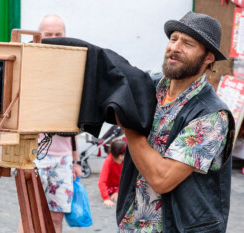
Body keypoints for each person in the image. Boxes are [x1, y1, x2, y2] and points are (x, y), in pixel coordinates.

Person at [116, 12, 235, 233]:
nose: (175, 47)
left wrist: (129, 129)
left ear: (209, 57)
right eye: (173, 39)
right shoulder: (151, 88)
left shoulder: (211, 115)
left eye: (187, 43)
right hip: (134, 224)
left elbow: (162, 179)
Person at [18, 14, 81, 233]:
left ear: (65, 35)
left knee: (56, 219)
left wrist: (76, 160)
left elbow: (73, 119)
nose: (54, 38)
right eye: (48, 34)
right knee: (29, 218)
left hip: (62, 159)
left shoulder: (74, 66)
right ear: (39, 37)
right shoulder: (29, 63)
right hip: (34, 155)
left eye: (58, 34)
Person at [98, 138, 126, 207]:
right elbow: (102, 181)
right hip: (110, 188)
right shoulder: (108, 161)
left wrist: (117, 192)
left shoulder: (124, 161)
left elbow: (125, 179)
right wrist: (106, 198)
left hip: (120, 186)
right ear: (120, 156)